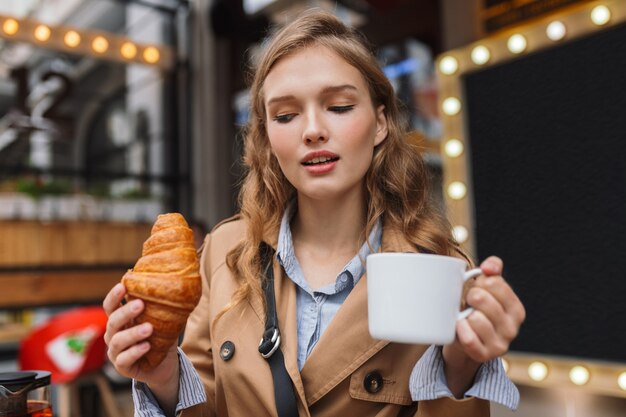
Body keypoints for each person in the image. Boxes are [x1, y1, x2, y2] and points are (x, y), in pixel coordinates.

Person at [103, 9, 525, 417]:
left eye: (339, 107)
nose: (312, 130)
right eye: (285, 115)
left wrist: (460, 367)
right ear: (267, 135)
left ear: (380, 123)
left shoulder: (440, 271)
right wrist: (162, 378)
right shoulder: (223, 253)